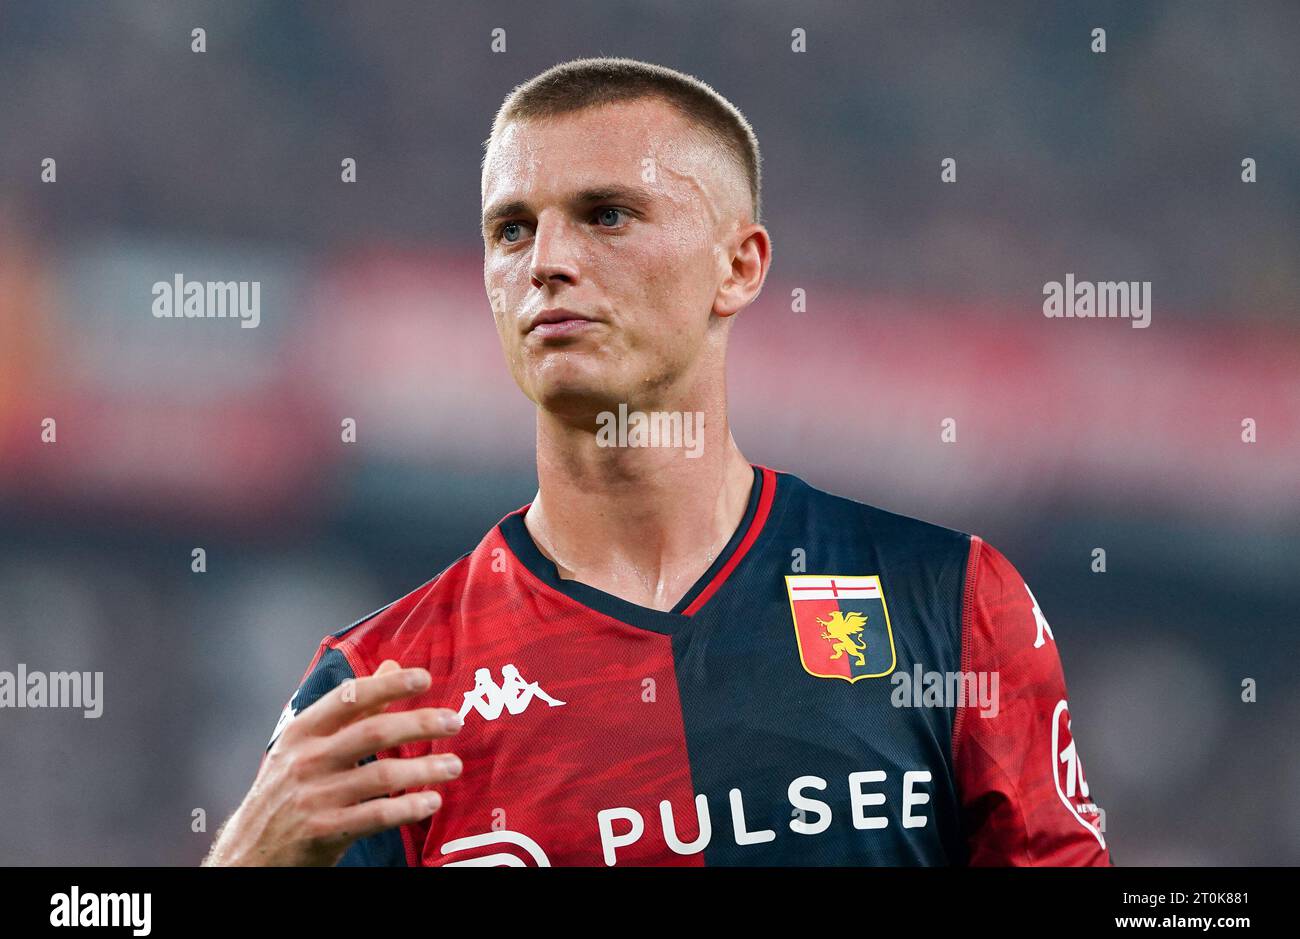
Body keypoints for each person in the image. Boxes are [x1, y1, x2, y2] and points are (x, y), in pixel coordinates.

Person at [203, 56, 1111, 867]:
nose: (548, 262)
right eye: (511, 231)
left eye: (607, 215)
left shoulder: (948, 600)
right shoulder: (382, 688)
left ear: (740, 267)